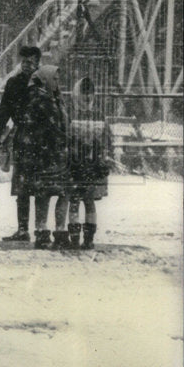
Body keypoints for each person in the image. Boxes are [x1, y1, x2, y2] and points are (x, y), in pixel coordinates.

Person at [14, 65, 69, 250]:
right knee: (44, 194)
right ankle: (42, 231)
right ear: (45, 79)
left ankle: (56, 231)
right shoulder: (40, 99)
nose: (57, 82)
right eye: (54, 79)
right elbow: (47, 127)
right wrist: (62, 139)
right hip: (44, 154)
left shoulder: (54, 98)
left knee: (59, 192)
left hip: (54, 153)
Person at [0, 45, 41, 242]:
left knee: (40, 186)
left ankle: (41, 228)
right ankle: (22, 229)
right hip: (21, 139)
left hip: (40, 140)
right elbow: (4, 108)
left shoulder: (43, 82)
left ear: (37, 63)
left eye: (31, 62)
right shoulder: (14, 83)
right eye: (24, 62)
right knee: (22, 186)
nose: (27, 66)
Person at [67, 77, 110, 249]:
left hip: (92, 163)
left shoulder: (98, 114)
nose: (87, 97)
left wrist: (103, 156)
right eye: (84, 93)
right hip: (75, 163)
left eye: (90, 93)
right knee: (75, 200)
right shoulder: (70, 113)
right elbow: (65, 136)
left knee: (89, 200)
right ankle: (75, 237)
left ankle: (89, 238)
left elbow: (106, 138)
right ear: (77, 93)